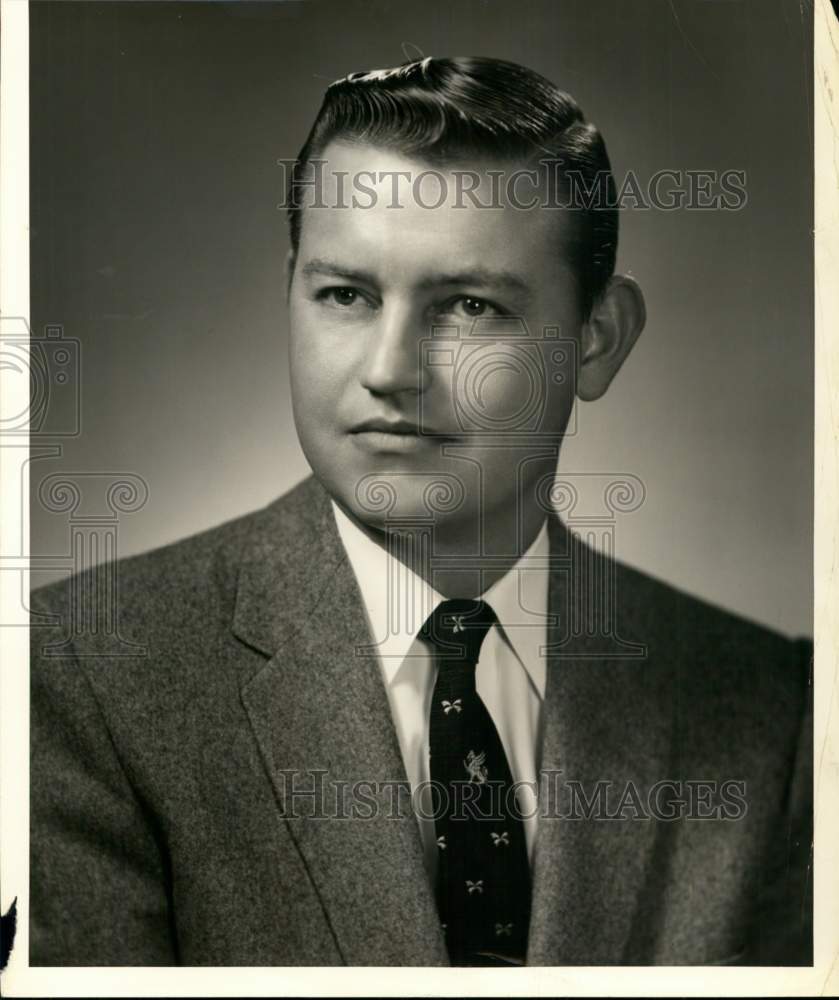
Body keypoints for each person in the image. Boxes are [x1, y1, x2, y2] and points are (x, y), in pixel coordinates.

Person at [29, 56, 812, 967]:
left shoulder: (771, 712)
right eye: (346, 295)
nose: (390, 369)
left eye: (470, 306)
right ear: (290, 290)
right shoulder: (82, 677)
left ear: (596, 342)